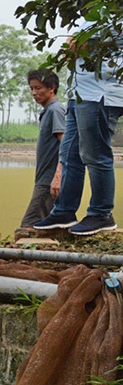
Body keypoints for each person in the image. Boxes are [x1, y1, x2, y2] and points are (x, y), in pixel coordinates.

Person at [33, 31, 123, 235]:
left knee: (96, 155)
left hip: (100, 94)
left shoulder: (110, 10)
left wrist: (74, 43)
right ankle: (64, 211)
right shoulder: (90, 18)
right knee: (70, 155)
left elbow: (74, 47)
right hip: (79, 93)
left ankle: (101, 214)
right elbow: (73, 47)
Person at [19, 69, 65, 229]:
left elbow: (65, 143)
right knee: (49, 224)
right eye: (32, 88)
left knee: (28, 224)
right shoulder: (48, 111)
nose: (33, 93)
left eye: (38, 88)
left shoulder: (55, 110)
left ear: (51, 88)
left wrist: (58, 175)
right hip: (44, 180)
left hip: (48, 181)